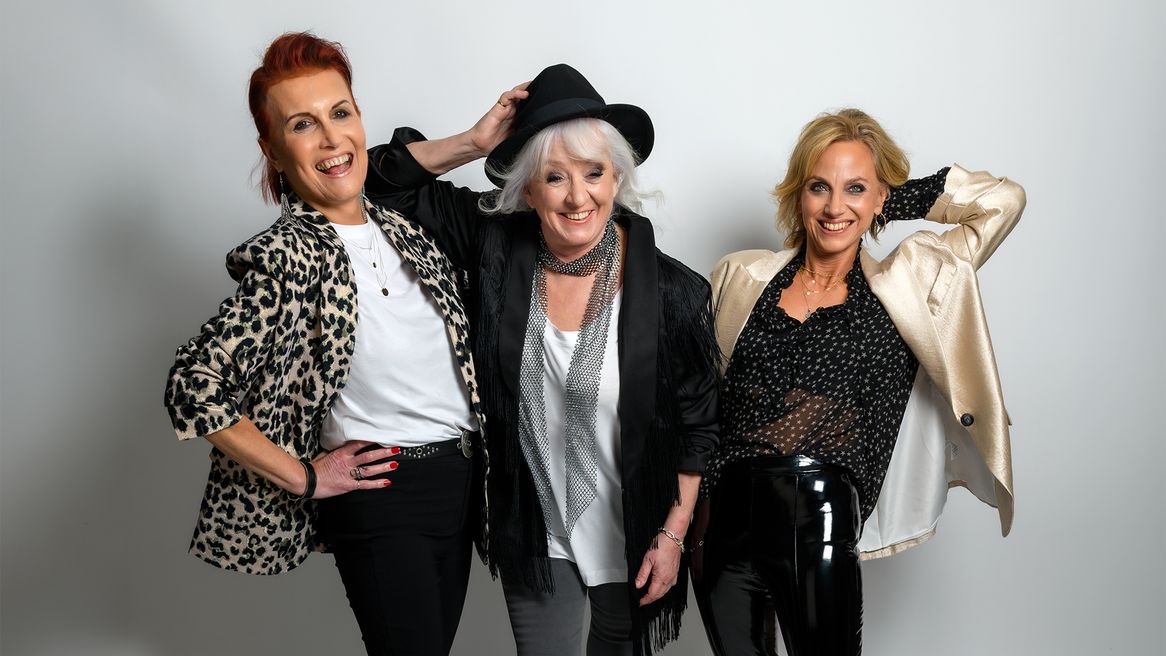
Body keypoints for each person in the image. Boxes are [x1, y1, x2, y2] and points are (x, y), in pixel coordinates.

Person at [362, 64, 720, 656]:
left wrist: (674, 535)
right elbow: (383, 187)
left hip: (635, 532)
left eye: (594, 173)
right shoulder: (498, 244)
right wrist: (475, 143)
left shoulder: (673, 291)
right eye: (555, 177)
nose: (578, 197)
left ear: (617, 179)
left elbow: (699, 428)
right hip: (536, 527)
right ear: (527, 190)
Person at [163, 32, 487, 656]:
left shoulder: (408, 231)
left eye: (341, 113)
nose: (332, 139)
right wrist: (304, 477)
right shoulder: (288, 256)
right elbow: (193, 385)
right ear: (274, 150)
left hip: (460, 483)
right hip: (383, 492)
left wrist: (476, 142)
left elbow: (400, 168)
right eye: (303, 125)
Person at [691, 108, 1025, 655]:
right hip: (725, 523)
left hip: (819, 515)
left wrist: (895, 197)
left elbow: (1004, 202)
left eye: (855, 189)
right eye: (820, 187)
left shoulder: (906, 286)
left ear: (877, 199)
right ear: (800, 195)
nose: (834, 206)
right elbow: (706, 406)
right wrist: (697, 524)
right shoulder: (740, 277)